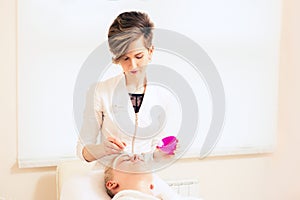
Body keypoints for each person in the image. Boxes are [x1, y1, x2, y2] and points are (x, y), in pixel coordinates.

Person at [77, 11, 181, 165]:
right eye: (125, 58)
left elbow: (157, 153)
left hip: (143, 175)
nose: (132, 65)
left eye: (138, 56)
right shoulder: (100, 92)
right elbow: (82, 151)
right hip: (109, 176)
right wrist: (103, 149)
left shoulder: (164, 96)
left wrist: (164, 153)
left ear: (150, 52)